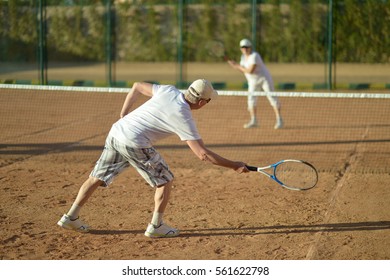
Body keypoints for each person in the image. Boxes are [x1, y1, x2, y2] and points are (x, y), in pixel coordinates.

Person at [57, 79, 249, 238]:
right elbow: (203, 154)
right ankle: (156, 226)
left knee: (95, 177)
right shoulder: (184, 116)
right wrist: (234, 165)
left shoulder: (168, 90)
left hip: (117, 132)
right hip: (134, 142)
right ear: (201, 103)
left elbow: (137, 86)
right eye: (208, 101)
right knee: (165, 180)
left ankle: (70, 217)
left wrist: (124, 114)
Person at [227, 38, 283, 129]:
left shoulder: (255, 56)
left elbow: (250, 70)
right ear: (240, 49)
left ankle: (279, 119)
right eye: (243, 47)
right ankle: (254, 120)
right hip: (252, 81)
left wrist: (237, 66)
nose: (245, 49)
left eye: (246, 47)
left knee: (272, 97)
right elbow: (244, 71)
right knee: (251, 100)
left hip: (264, 79)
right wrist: (235, 66)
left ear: (250, 47)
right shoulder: (243, 58)